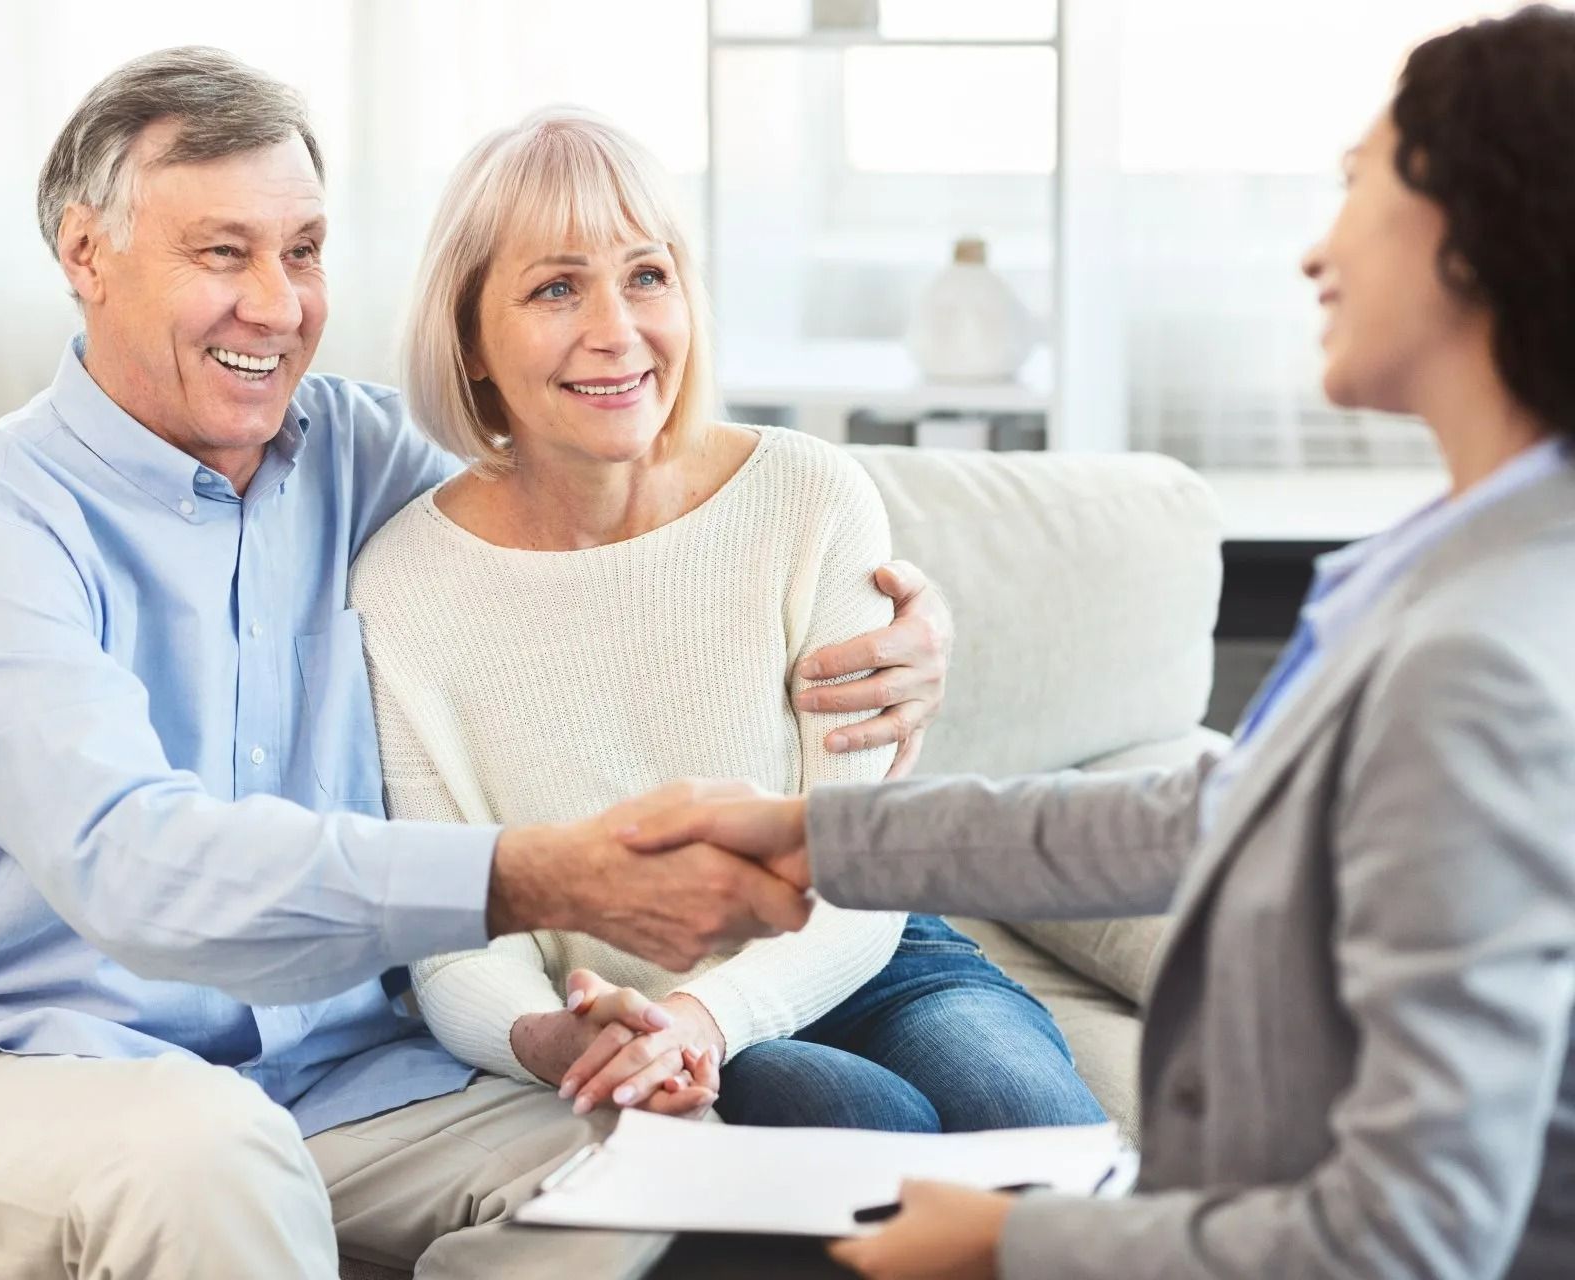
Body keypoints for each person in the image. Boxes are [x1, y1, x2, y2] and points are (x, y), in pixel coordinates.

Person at [0, 47, 955, 1280]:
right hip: (22, 1067)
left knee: (665, 1175)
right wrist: (537, 873)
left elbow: (612, 529)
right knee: (209, 1151)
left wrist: (913, 630)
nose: (279, 304)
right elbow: (132, 867)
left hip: (347, 1074)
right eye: (223, 252)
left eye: (301, 251)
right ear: (86, 254)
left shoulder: (363, 458)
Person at [621, 8, 1575, 1277]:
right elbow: (1204, 817)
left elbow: (1406, 1236)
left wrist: (1020, 1239)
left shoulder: (1484, 658)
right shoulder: (1454, 565)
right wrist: (821, 833)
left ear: (1471, 225)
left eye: (1356, 185)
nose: (1313, 250)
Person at [350, 108, 1103, 1137]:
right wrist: (553, 1037)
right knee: (839, 1107)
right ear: (470, 338)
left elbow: (859, 867)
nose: (617, 328)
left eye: (647, 275)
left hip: (874, 956)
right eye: (557, 286)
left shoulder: (809, 495)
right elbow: (456, 937)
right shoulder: (401, 584)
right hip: (623, 1015)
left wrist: (704, 1013)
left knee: (1033, 1122)